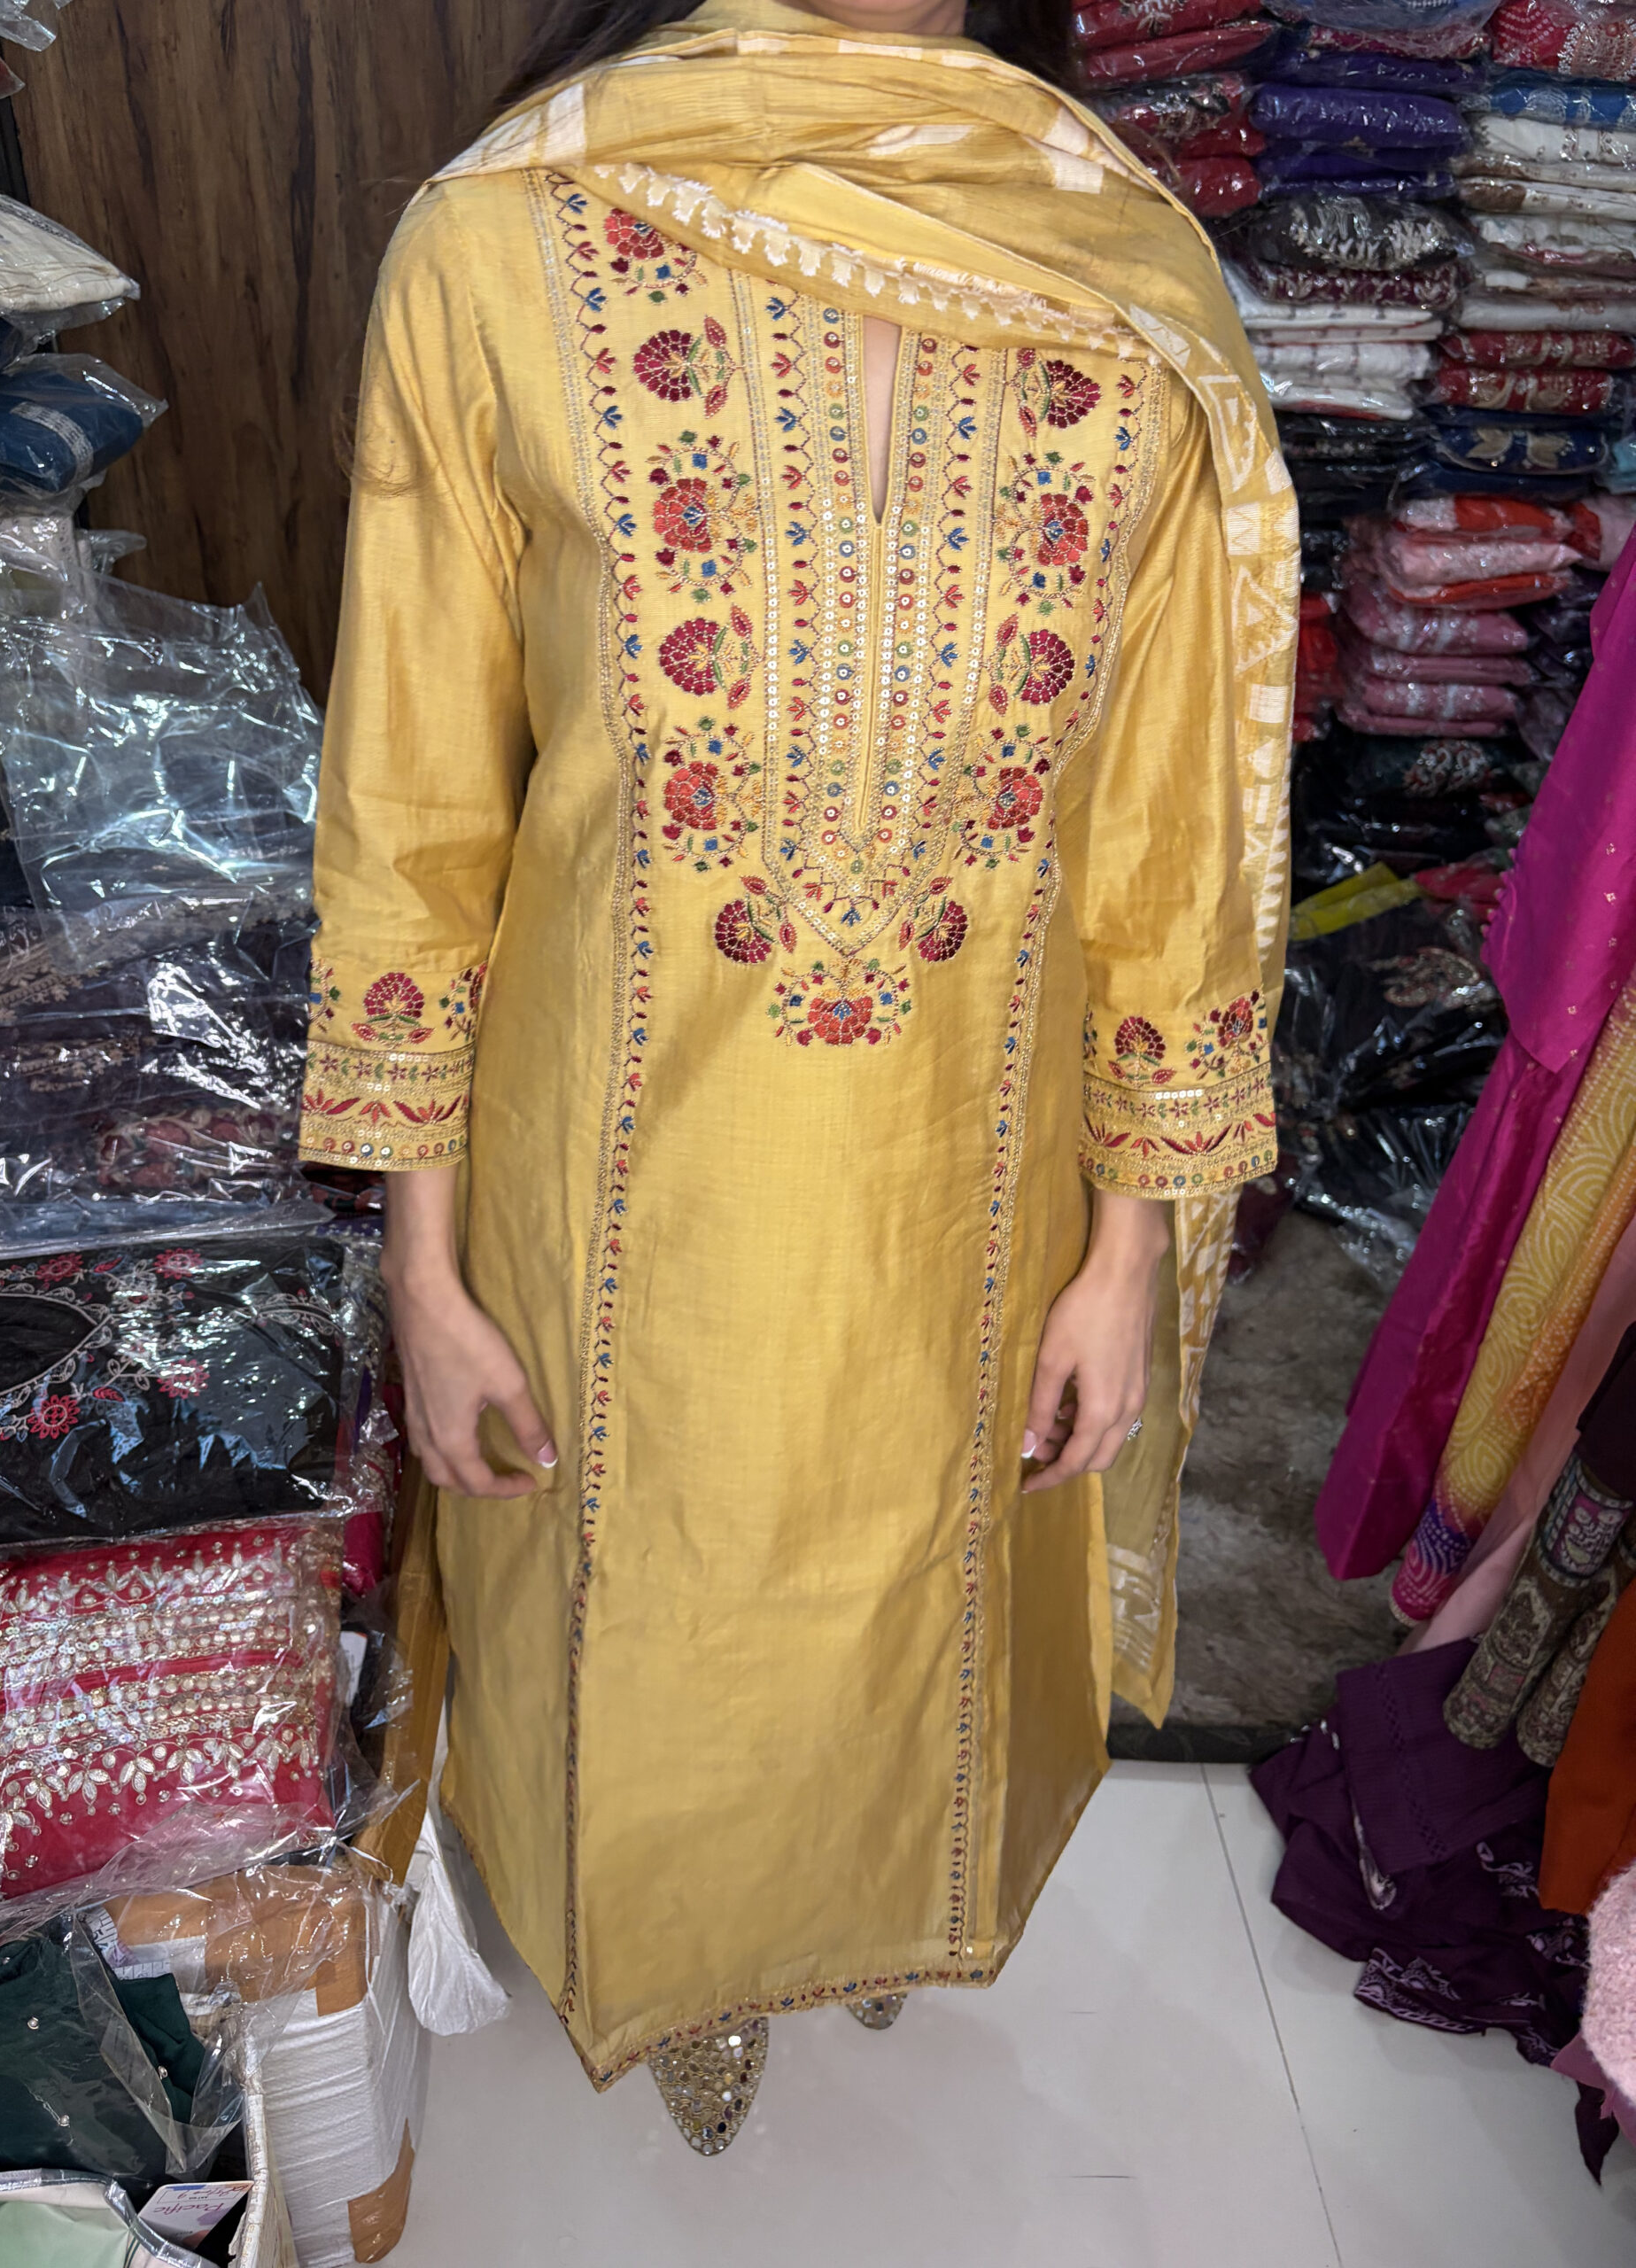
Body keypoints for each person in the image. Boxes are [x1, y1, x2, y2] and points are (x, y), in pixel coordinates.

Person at [299, 0, 1295, 2155]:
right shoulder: (503, 237)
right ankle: (692, 1951)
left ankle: (856, 1900)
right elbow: (413, 802)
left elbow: (1168, 837)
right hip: (614, 1185)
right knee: (654, 1595)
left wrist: (1131, 1248)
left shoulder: (1123, 269)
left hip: (974, 1187)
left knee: (917, 1585)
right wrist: (423, 1261)